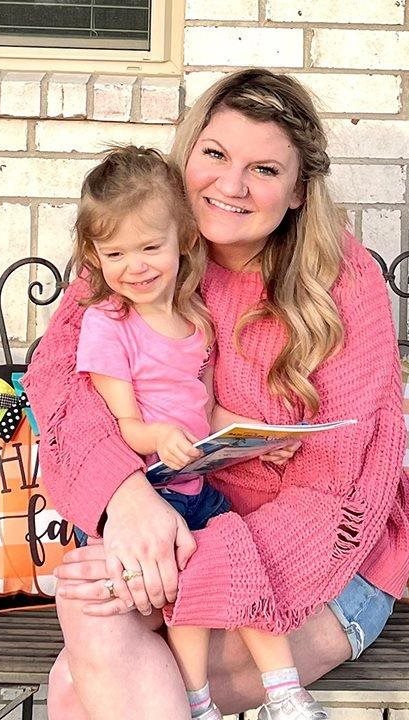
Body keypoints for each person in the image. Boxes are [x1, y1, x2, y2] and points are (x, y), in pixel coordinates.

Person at [23, 68, 409, 720]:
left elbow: (341, 486)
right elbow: (61, 382)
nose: (230, 186)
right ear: (189, 156)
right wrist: (127, 503)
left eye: (264, 170)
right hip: (173, 534)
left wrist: (192, 556)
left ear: (298, 191)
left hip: (315, 571)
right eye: (214, 155)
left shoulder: (344, 283)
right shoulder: (144, 251)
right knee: (90, 612)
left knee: (77, 684)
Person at [65, 145, 317, 719]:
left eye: (151, 247)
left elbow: (204, 409)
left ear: (182, 239)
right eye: (115, 254)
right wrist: (159, 438)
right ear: (95, 256)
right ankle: (198, 700)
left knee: (237, 561)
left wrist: (262, 438)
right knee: (193, 591)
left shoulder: (194, 317)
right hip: (150, 491)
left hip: (192, 487)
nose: (136, 266)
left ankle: (285, 693)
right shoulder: (109, 325)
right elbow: (120, 425)